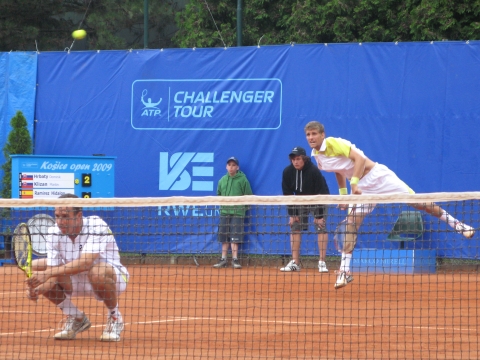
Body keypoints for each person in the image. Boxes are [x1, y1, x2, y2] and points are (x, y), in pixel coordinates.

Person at [304, 121, 476, 289]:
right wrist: (342, 196)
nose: (311, 137)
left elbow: (360, 159)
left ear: (322, 135)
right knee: (350, 224)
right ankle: (344, 271)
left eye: (314, 134)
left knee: (419, 203)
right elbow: (339, 171)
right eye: (308, 135)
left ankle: (457, 224)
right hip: (362, 189)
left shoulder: (334, 143)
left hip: (377, 176)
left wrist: (354, 183)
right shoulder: (317, 158)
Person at [26, 193, 129, 341]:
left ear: (78, 215)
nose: (60, 221)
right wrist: (38, 289)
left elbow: (85, 263)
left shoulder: (96, 225)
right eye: (57, 216)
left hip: (111, 277)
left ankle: (115, 318)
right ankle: (77, 318)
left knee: (97, 271)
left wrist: (48, 273)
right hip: (75, 281)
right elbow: (52, 275)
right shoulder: (53, 233)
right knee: (38, 269)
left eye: (65, 216)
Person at [281, 146, 330, 272]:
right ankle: (295, 263)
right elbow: (287, 194)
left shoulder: (314, 171)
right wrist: (292, 214)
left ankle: (322, 262)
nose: (295, 162)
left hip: (318, 198)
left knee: (321, 227)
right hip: (299, 200)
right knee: (295, 226)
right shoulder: (287, 172)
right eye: (293, 159)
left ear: (305, 159)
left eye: (298, 159)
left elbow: (322, 191)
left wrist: (319, 216)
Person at [213, 157, 253, 269]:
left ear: (237, 167)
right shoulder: (222, 180)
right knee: (224, 237)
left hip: (238, 213)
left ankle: (235, 259)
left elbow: (248, 195)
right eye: (229, 165)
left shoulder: (243, 180)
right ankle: (223, 259)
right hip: (225, 212)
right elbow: (219, 194)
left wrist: (242, 209)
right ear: (226, 167)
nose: (231, 167)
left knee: (235, 237)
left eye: (233, 165)